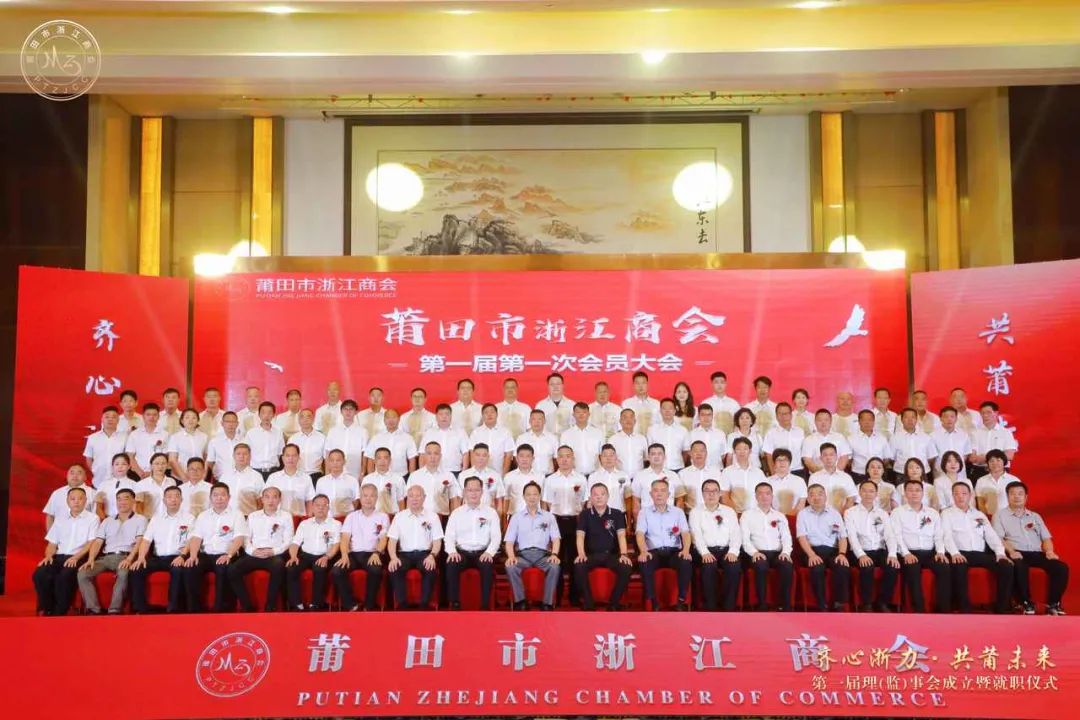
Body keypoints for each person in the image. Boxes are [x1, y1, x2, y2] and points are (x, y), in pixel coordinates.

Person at [992, 481, 1069, 615]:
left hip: (1036, 552)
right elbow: (999, 538)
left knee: (1061, 567)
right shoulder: (999, 515)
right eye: (1012, 494)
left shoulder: (1035, 516)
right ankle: (1025, 602)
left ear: (1026, 497)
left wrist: (1049, 551)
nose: (1016, 496)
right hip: (1016, 552)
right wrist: (1011, 551)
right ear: (1007, 496)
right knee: (1020, 565)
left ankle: (1053, 603)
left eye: (1020, 494)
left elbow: (1046, 538)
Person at [942, 481, 1013, 614]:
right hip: (960, 553)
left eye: (964, 493)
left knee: (1006, 566)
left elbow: (991, 536)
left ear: (970, 495)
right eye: (956, 494)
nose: (960, 497)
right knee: (959, 566)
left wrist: (1000, 553)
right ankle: (964, 608)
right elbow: (946, 536)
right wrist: (954, 553)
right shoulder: (947, 514)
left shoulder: (979, 515)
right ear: (952, 496)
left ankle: (1002, 608)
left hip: (979, 554)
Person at [76, 487, 146, 614]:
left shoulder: (140, 519)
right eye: (119, 499)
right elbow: (98, 542)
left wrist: (129, 559)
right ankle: (93, 609)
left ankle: (114, 609)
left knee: (124, 574)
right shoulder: (108, 520)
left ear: (133, 501)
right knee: (83, 573)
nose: (122, 502)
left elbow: (139, 542)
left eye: (126, 499)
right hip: (105, 558)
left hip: (125, 556)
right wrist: (91, 559)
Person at [183, 482, 249, 613]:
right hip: (206, 554)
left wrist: (229, 555)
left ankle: (221, 609)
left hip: (226, 553)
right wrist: (193, 555)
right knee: (190, 567)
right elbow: (196, 537)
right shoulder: (203, 515)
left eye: (223, 495)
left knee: (222, 567)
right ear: (210, 498)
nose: (219, 498)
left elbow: (239, 538)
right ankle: (194, 609)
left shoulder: (237, 515)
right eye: (215, 495)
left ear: (229, 497)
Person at [33, 487, 99, 616]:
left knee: (64, 576)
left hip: (79, 556)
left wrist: (76, 557)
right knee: (40, 574)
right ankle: (47, 608)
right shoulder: (60, 518)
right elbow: (52, 543)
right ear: (67, 501)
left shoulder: (93, 518)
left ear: (85, 501)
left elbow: (91, 542)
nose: (76, 502)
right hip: (58, 556)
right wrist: (48, 556)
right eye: (73, 499)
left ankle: (60, 611)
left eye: (80, 499)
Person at [227, 486, 293, 612]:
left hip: (275, 554)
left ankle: (270, 606)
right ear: (262, 499)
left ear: (279, 500)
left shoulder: (286, 516)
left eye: (274, 497)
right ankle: (247, 606)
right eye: (267, 497)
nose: (271, 500)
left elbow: (288, 540)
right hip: (255, 553)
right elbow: (245, 538)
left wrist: (273, 551)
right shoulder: (253, 516)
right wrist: (253, 551)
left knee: (278, 566)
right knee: (232, 570)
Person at [129, 485, 193, 614]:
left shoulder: (189, 518)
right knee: (136, 569)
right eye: (169, 497)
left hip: (177, 556)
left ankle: (173, 608)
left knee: (178, 570)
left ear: (181, 499)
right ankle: (140, 608)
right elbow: (146, 540)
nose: (173, 499)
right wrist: (141, 558)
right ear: (164, 500)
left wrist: (182, 556)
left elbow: (191, 541)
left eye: (177, 496)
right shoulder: (156, 518)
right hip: (157, 558)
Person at [891, 479, 951, 613]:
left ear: (923, 493)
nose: (914, 493)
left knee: (944, 567)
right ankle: (919, 610)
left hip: (930, 553)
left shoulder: (933, 513)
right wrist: (906, 553)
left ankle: (943, 610)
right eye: (910, 490)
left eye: (917, 490)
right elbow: (897, 536)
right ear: (905, 493)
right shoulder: (897, 512)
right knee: (912, 568)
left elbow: (938, 535)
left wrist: (940, 552)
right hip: (909, 552)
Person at [444, 476, 502, 610]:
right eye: (470, 490)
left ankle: (485, 606)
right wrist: (452, 552)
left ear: (482, 492)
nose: (473, 493)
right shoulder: (456, 513)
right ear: (464, 492)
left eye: (477, 490)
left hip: (482, 553)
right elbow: (449, 536)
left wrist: (489, 553)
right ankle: (455, 604)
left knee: (487, 565)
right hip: (462, 553)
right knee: (452, 563)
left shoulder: (491, 513)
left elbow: (496, 537)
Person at [574, 483, 633, 611]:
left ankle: (613, 604)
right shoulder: (585, 514)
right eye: (595, 495)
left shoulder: (617, 514)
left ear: (608, 496)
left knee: (626, 567)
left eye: (602, 494)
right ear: (591, 497)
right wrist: (581, 554)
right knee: (579, 566)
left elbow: (621, 536)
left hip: (611, 555)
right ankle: (589, 603)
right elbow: (580, 536)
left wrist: (624, 554)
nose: (599, 497)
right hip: (591, 555)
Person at [636, 478, 692, 610]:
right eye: (656, 491)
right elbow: (640, 534)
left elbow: (685, 533)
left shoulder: (678, 512)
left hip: (673, 552)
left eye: (663, 491)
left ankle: (681, 600)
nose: (659, 494)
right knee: (644, 561)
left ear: (668, 494)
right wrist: (643, 551)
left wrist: (686, 550)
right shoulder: (644, 512)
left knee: (685, 561)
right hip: (653, 552)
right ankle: (653, 601)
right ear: (651, 494)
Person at [504, 481, 562, 610]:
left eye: (535, 494)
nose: (532, 497)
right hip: (523, 556)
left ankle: (547, 603)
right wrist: (511, 556)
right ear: (524, 497)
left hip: (543, 556)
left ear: (539, 496)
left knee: (554, 566)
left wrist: (554, 554)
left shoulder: (549, 517)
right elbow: (509, 542)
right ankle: (520, 602)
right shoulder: (516, 517)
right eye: (528, 494)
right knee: (510, 566)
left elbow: (556, 539)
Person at [844, 479, 900, 612]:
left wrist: (892, 554)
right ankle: (867, 603)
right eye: (864, 491)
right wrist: (861, 555)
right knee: (867, 567)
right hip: (860, 550)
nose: (868, 494)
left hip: (879, 550)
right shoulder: (850, 512)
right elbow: (852, 537)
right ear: (859, 493)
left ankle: (883, 602)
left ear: (876, 494)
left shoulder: (882, 513)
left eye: (871, 491)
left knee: (892, 566)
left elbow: (890, 535)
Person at [542, 445, 588, 605]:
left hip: (576, 521)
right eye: (561, 456)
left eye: (568, 456)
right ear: (557, 459)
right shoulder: (550, 480)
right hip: (556, 521)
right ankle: (558, 595)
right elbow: (546, 505)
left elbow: (585, 503)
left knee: (576, 560)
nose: (564, 459)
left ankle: (575, 596)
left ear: (573, 458)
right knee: (557, 560)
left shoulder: (581, 479)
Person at [330, 486, 387, 612]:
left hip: (372, 553)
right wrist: (344, 555)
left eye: (372, 496)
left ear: (376, 498)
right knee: (337, 570)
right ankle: (350, 604)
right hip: (353, 554)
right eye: (365, 496)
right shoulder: (351, 516)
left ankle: (368, 605)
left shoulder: (383, 516)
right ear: (360, 498)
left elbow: (383, 539)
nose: (368, 499)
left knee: (376, 570)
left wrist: (377, 553)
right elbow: (345, 538)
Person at [387, 485, 443, 610]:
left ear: (424, 498)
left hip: (425, 554)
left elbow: (437, 541)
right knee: (394, 568)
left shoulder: (432, 516)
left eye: (418, 496)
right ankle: (402, 605)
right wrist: (393, 558)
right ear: (407, 498)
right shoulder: (399, 516)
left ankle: (424, 605)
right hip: (404, 555)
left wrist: (432, 556)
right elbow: (392, 541)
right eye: (411, 496)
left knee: (430, 568)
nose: (414, 499)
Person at [796, 484, 850, 611]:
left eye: (820, 494)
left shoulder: (834, 513)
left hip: (832, 551)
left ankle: (839, 603)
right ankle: (821, 604)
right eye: (812, 495)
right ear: (808, 499)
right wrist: (811, 555)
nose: (816, 497)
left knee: (842, 566)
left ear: (826, 496)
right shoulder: (803, 514)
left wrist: (842, 554)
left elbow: (843, 537)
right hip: (812, 550)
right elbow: (801, 537)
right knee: (817, 568)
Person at [740, 483, 794, 611]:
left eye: (767, 493)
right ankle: (762, 604)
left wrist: (786, 552)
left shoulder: (780, 516)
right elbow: (744, 539)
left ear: (772, 496)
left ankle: (784, 605)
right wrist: (754, 553)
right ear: (755, 496)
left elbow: (786, 537)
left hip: (777, 553)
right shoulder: (747, 515)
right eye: (760, 493)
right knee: (761, 565)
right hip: (756, 553)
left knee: (786, 566)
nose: (764, 496)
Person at [689, 479, 741, 611]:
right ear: (702, 494)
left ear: (720, 493)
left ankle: (729, 607)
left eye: (714, 491)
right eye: (707, 491)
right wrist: (704, 552)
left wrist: (733, 551)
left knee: (734, 566)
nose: (711, 494)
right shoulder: (695, 512)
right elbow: (696, 535)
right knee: (708, 566)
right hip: (704, 550)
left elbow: (736, 534)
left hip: (726, 550)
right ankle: (710, 607)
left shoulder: (729, 511)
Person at [406, 441, 461, 520]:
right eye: (429, 453)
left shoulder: (449, 476)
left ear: (440, 456)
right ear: (424, 456)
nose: (432, 457)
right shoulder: (414, 476)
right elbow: (409, 501)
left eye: (436, 453)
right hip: (419, 518)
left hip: (442, 518)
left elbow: (454, 500)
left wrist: (454, 519)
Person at [970, 401, 1019, 478]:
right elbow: (972, 457)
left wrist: (986, 457)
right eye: (982, 413)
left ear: (996, 413)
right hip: (979, 471)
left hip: (1000, 471)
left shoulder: (1006, 432)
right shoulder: (975, 433)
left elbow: (1009, 455)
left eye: (988, 412)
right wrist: (996, 458)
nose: (985, 415)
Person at [84, 405, 129, 486]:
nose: (110, 419)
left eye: (113, 417)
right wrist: (95, 470)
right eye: (107, 417)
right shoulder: (93, 438)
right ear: (102, 419)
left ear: (118, 420)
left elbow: (129, 457)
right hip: (98, 481)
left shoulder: (125, 437)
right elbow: (88, 458)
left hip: (120, 482)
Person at [721, 437, 768, 513]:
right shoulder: (727, 472)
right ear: (734, 451)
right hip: (735, 513)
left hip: (756, 513)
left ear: (750, 451)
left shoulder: (759, 473)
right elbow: (724, 497)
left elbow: (764, 494)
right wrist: (735, 513)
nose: (742, 452)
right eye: (738, 449)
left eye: (745, 449)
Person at [266, 444, 315, 517]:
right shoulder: (273, 477)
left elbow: (310, 500)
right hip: (277, 519)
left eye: (294, 455)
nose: (290, 458)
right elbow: (266, 499)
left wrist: (308, 519)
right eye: (287, 455)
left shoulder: (306, 478)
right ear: (283, 458)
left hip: (299, 518)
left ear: (298, 458)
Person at [420, 404, 470, 475]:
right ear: (436, 417)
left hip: (454, 471)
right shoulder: (429, 433)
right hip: (433, 471)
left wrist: (464, 473)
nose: (444, 417)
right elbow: (422, 454)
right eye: (441, 414)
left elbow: (465, 453)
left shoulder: (460, 432)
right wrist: (422, 473)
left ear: (451, 416)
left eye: (447, 414)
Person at [367, 408, 419, 476]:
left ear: (399, 419)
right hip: (380, 477)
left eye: (394, 417)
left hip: (401, 476)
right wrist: (371, 478)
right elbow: (370, 459)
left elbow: (412, 460)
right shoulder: (376, 438)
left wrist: (411, 478)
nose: (391, 420)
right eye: (388, 417)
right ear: (384, 420)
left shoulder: (408, 438)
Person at [459, 444, 506, 518]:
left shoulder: (495, 475)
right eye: (478, 455)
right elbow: (459, 499)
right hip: (467, 515)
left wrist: (497, 519)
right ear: (473, 456)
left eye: (484, 455)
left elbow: (499, 502)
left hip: (488, 515)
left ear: (488, 457)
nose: (481, 458)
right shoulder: (463, 475)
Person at [326, 399, 369, 478]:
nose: (348, 412)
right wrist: (327, 472)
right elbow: (327, 452)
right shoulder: (332, 431)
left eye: (351, 409)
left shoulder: (363, 431)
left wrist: (362, 472)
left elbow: (364, 454)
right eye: (345, 409)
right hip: (335, 473)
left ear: (356, 412)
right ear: (341, 411)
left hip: (355, 473)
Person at [125, 402, 169, 478]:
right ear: (143, 416)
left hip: (158, 474)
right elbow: (130, 456)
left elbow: (166, 456)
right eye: (148, 414)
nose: (151, 417)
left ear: (158, 416)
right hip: (137, 474)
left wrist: (152, 473)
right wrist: (140, 473)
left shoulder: (165, 434)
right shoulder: (134, 434)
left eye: (154, 415)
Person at [42, 465, 92, 531]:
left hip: (84, 535)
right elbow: (50, 516)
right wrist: (50, 536)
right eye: (72, 473)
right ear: (67, 475)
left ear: (85, 477)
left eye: (79, 473)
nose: (75, 476)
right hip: (60, 535)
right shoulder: (57, 493)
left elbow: (96, 518)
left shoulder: (92, 493)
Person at [560, 401, 604, 475]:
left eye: (584, 412)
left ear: (589, 414)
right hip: (574, 475)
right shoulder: (566, 434)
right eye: (578, 412)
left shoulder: (598, 433)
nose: (581, 414)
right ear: (573, 414)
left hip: (595, 474)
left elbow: (602, 455)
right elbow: (562, 456)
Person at [892, 407, 939, 476]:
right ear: (901, 420)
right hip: (901, 473)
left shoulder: (926, 437)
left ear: (916, 420)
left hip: (923, 473)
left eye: (913, 417)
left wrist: (920, 468)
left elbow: (931, 457)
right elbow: (891, 458)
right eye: (906, 417)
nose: (910, 420)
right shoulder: (894, 438)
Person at [677, 441, 722, 511]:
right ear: (690, 453)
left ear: (706, 453)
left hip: (712, 512)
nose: (699, 454)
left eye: (702, 451)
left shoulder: (716, 472)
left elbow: (721, 495)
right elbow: (680, 499)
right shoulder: (682, 474)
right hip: (690, 513)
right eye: (695, 451)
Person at [244, 401, 285, 480]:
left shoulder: (278, 432)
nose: (266, 415)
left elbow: (280, 453)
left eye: (269, 413)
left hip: (274, 472)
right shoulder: (251, 433)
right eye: (263, 412)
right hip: (255, 472)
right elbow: (246, 453)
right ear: (259, 415)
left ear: (274, 415)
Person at [847, 409, 892, 482]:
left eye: (870, 420)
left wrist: (877, 469)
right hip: (858, 475)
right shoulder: (851, 439)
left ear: (874, 422)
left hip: (878, 476)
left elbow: (886, 458)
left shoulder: (882, 438)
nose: (867, 422)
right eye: (864, 420)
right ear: (859, 421)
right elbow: (848, 460)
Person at [762, 403, 805, 477]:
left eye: (786, 414)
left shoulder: (800, 432)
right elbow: (769, 456)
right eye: (780, 414)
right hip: (779, 472)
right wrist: (774, 475)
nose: (784, 417)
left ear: (791, 415)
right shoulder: (771, 433)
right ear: (776, 416)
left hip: (798, 470)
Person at [314, 449, 361, 518]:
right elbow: (317, 502)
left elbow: (356, 500)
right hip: (326, 519)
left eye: (338, 460)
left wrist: (346, 513)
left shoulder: (352, 480)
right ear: (328, 462)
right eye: (332, 460)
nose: (335, 463)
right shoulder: (321, 481)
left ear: (344, 461)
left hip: (346, 518)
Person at [469, 403, 514, 474]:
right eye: (486, 412)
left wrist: (504, 475)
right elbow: (472, 454)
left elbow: (508, 455)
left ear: (497, 414)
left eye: (492, 412)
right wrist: (474, 474)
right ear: (482, 416)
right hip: (480, 474)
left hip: (498, 473)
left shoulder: (505, 432)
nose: (489, 414)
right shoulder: (476, 432)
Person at [974, 449, 1021, 517]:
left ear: (1004, 462)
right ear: (988, 463)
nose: (995, 463)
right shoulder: (981, 481)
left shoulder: (1014, 480)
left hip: (1011, 517)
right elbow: (980, 504)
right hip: (990, 518)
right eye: (991, 461)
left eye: (998, 460)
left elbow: (1019, 502)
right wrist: (986, 518)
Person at [221, 444, 265, 515]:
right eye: (238, 454)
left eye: (245, 454)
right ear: (233, 456)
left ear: (250, 456)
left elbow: (261, 501)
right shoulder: (225, 475)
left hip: (248, 516)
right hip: (227, 516)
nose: (241, 456)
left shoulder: (257, 476)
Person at [362, 447, 407, 516]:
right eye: (379, 458)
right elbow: (363, 501)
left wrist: (401, 517)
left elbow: (401, 501)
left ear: (390, 460)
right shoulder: (367, 479)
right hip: (372, 516)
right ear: (374, 460)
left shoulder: (398, 479)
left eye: (386, 458)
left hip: (392, 515)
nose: (382, 461)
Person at [630, 443, 673, 514]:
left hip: (669, 517)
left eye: (659, 454)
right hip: (647, 517)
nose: (656, 456)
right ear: (648, 457)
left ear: (664, 457)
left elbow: (680, 499)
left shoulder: (673, 475)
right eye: (653, 454)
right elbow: (636, 501)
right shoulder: (639, 476)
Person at [504, 444, 545, 516]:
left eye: (528, 456)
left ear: (533, 458)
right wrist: (504, 519)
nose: (524, 459)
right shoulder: (509, 476)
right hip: (515, 516)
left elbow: (543, 499)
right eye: (521, 456)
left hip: (536, 516)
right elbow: (506, 499)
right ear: (517, 458)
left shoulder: (540, 476)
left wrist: (544, 517)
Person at [167, 408, 209, 479]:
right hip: (180, 477)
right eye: (187, 417)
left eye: (194, 418)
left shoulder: (204, 437)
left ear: (198, 420)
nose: (190, 420)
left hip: (199, 477)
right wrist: (183, 477)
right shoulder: (175, 437)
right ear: (182, 420)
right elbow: (172, 460)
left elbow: (207, 458)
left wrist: (204, 475)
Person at [931, 407, 975, 475]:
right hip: (940, 473)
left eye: (952, 416)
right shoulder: (933, 436)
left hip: (960, 474)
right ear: (940, 418)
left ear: (956, 418)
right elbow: (932, 456)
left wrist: (957, 465)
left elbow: (966, 454)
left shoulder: (963, 434)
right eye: (946, 416)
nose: (949, 419)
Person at [94, 453, 138, 520]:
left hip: (128, 520)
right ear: (112, 466)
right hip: (106, 519)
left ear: (129, 466)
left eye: (124, 464)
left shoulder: (134, 485)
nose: (120, 467)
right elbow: (97, 507)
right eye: (117, 464)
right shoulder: (103, 485)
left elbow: (136, 506)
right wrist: (105, 520)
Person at [516, 409, 559, 475]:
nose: (537, 422)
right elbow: (516, 458)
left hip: (548, 476)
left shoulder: (553, 438)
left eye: (540, 419)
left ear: (544, 421)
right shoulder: (521, 438)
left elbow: (557, 459)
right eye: (534, 419)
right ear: (529, 421)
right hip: (528, 476)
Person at [134, 452, 176, 519]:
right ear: (151, 465)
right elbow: (137, 508)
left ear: (167, 465)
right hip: (150, 520)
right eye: (157, 463)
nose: (160, 466)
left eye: (163, 463)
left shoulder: (172, 482)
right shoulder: (141, 485)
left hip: (169, 519)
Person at [765, 449, 807, 516]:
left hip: (795, 517)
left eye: (785, 460)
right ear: (774, 463)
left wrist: (790, 516)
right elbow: (765, 503)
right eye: (779, 460)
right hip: (773, 518)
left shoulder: (799, 481)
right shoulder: (767, 481)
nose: (782, 463)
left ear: (789, 463)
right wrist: (778, 516)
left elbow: (802, 503)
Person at [205, 411, 243, 480]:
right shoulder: (214, 441)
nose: (230, 424)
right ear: (222, 423)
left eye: (233, 422)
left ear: (237, 424)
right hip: (221, 479)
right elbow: (210, 461)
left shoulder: (243, 440)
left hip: (240, 478)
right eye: (227, 421)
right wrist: (217, 472)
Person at [688, 404, 727, 470]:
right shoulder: (691, 434)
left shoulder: (720, 434)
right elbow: (689, 453)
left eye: (709, 415)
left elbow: (723, 455)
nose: (706, 418)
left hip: (717, 470)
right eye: (703, 415)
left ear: (712, 416)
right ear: (698, 417)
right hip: (697, 470)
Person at [290, 409, 327, 479]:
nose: (305, 420)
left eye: (308, 416)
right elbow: (289, 459)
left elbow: (327, 460)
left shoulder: (322, 438)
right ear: (299, 420)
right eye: (302, 417)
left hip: (316, 475)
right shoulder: (292, 439)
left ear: (313, 419)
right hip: (298, 475)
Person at [609, 408, 647, 474]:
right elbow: (609, 460)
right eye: (625, 417)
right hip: (619, 477)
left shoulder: (642, 439)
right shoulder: (613, 439)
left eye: (631, 417)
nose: (628, 420)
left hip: (638, 477)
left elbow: (646, 458)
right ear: (620, 421)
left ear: (635, 421)